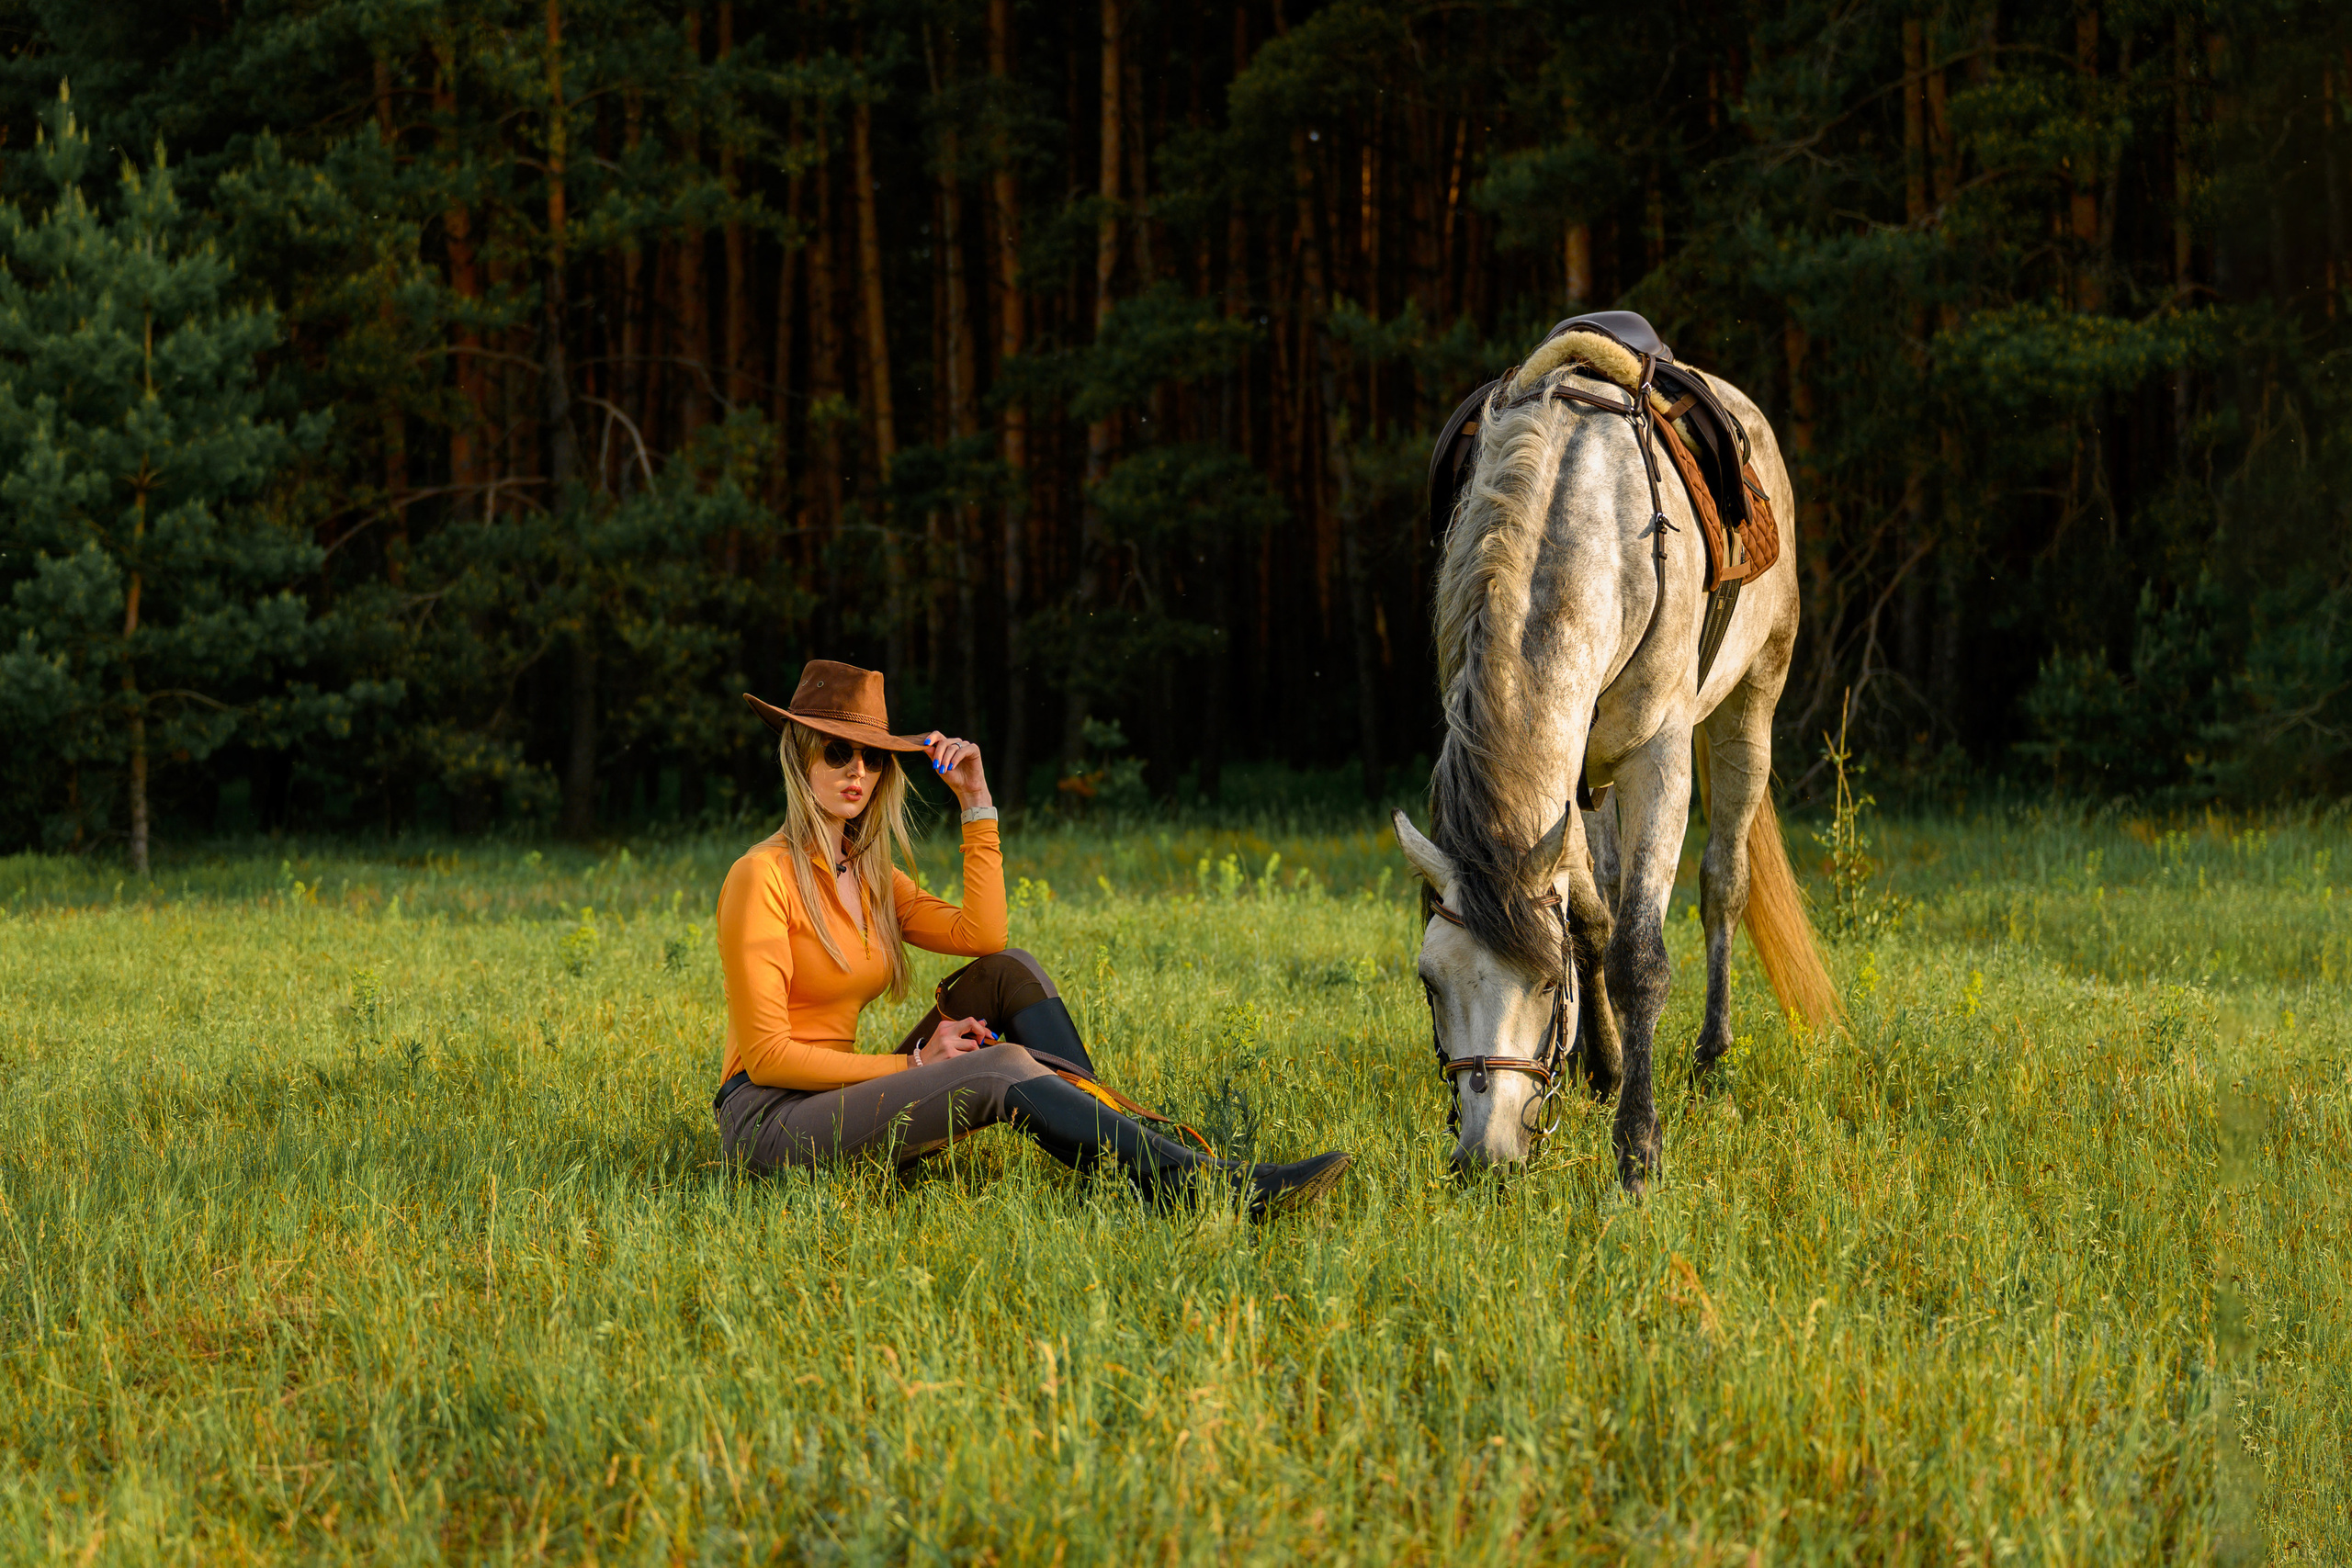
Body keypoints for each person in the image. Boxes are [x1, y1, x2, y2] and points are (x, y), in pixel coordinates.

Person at [709, 659, 1351, 1217]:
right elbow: (767, 1058)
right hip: (772, 1123)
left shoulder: (872, 873)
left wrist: (976, 803)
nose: (857, 770)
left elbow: (983, 933)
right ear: (799, 753)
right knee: (999, 1067)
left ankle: (1123, 1158)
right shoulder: (760, 876)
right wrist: (913, 1065)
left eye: (872, 756)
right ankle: (1206, 1189)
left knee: (1009, 969)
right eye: (837, 751)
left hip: (841, 1100)